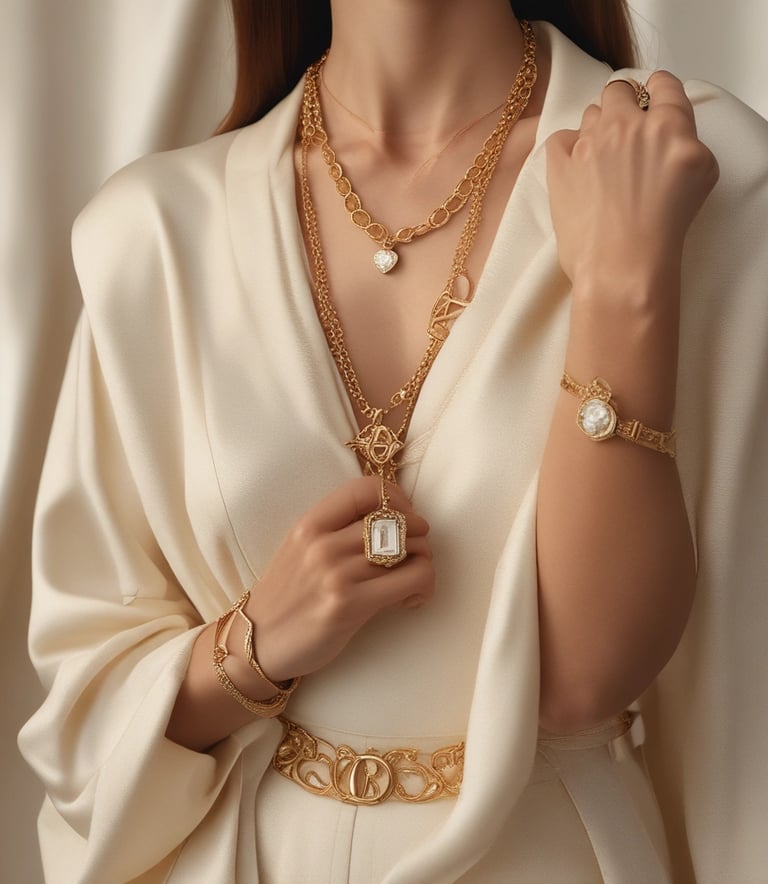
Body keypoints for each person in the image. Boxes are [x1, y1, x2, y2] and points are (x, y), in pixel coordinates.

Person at [18, 1, 768, 881]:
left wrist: (623, 289)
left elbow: (585, 681)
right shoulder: (152, 235)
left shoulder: (686, 165)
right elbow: (83, 710)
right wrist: (249, 650)